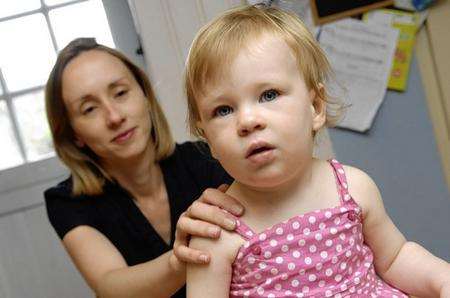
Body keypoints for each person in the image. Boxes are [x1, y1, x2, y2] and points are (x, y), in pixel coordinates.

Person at [184, 5, 450, 297]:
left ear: (316, 107)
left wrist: (442, 280)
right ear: (208, 138)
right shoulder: (215, 233)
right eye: (223, 110)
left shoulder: (353, 187)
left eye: (268, 95)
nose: (247, 121)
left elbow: (396, 257)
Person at [44, 37, 245, 298]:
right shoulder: (68, 201)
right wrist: (178, 260)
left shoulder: (207, 158)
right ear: (74, 135)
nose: (114, 117)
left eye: (120, 93)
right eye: (90, 109)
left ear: (145, 95)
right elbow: (109, 286)